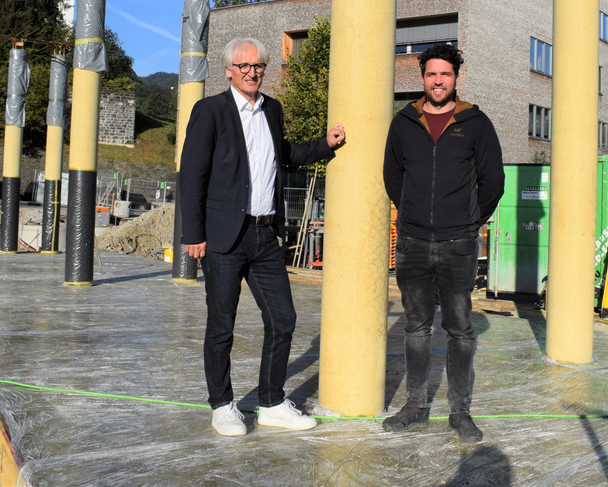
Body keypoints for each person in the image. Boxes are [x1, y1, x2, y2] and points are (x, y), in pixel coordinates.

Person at [180, 37, 346, 437]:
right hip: (224, 237)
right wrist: (193, 233)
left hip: (265, 234)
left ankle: (271, 403)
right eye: (244, 66)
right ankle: (222, 406)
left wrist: (325, 145)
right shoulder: (210, 111)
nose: (252, 72)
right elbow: (192, 173)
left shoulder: (273, 109)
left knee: (283, 319)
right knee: (222, 325)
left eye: (258, 66)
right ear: (229, 71)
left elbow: (282, 154)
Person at [382, 44, 504, 443]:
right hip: (413, 241)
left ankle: (460, 412)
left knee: (460, 329)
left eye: (445, 74)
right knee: (416, 328)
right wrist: (413, 212)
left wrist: (467, 221)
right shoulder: (404, 122)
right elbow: (392, 176)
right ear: (423, 78)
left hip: (458, 243)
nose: (438, 81)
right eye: (432, 74)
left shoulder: (476, 123)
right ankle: (416, 407)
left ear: (456, 78)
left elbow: (493, 181)